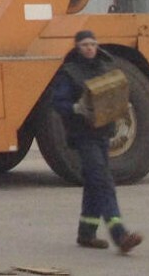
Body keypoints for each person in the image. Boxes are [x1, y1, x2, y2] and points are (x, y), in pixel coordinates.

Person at [49, 29, 141, 253]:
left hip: (103, 133)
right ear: (77, 48)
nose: (89, 48)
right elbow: (57, 101)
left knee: (93, 182)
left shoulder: (104, 68)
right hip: (83, 135)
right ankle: (120, 234)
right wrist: (75, 108)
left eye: (92, 44)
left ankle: (86, 233)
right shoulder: (69, 72)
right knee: (103, 181)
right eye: (84, 45)